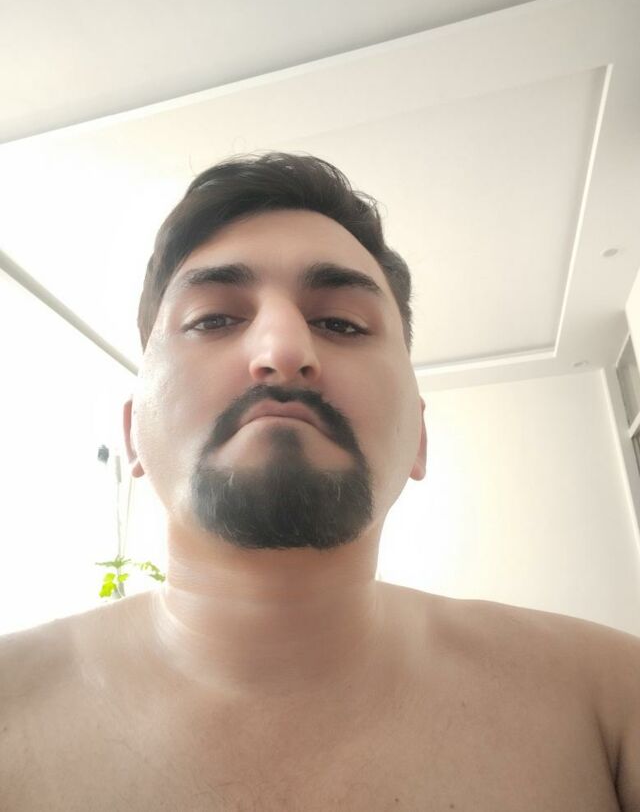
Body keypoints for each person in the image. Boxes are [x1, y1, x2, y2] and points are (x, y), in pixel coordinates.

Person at [1, 152, 639, 810]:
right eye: (213, 319)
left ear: (419, 439)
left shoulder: (614, 701)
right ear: (132, 430)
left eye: (341, 324)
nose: (282, 351)